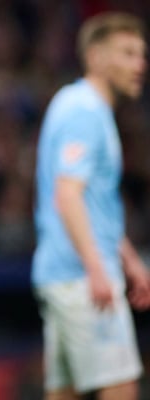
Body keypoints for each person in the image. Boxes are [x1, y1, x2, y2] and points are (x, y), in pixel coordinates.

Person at [32, 11, 150, 400]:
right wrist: (98, 269)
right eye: (128, 53)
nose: (140, 65)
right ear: (96, 57)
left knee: (64, 393)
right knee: (121, 388)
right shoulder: (84, 111)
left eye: (142, 54)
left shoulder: (81, 106)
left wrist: (128, 259)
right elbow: (67, 196)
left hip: (66, 276)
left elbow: (93, 204)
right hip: (82, 278)